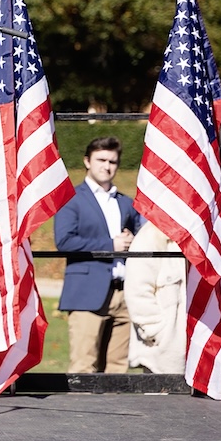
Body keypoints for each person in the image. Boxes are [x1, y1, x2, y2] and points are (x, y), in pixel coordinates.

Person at [55, 135, 144, 373]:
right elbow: (64, 241)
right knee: (84, 369)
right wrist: (109, 245)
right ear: (87, 161)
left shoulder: (126, 203)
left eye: (112, 161)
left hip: (124, 295)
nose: (107, 166)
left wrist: (134, 242)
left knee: (117, 371)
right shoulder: (70, 199)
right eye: (101, 159)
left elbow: (141, 239)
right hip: (87, 294)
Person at [124, 221, 187, 374]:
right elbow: (137, 293)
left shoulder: (203, 235)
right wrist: (159, 333)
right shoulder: (149, 237)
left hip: (202, 357)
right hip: (162, 357)